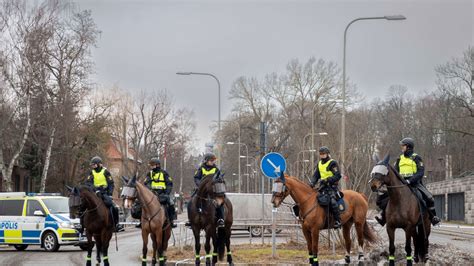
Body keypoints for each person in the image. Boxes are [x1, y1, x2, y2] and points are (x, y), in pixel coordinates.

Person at [375, 138, 441, 226]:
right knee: (385, 197)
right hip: (400, 184)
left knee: (429, 198)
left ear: (408, 147)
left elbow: (420, 172)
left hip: (414, 183)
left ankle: (433, 218)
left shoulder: (416, 158)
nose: (401, 147)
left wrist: (410, 180)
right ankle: (383, 217)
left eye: (403, 145)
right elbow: (395, 172)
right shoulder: (399, 158)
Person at [186, 152, 225, 227]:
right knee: (190, 202)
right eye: (211, 160)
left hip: (213, 190)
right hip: (202, 190)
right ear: (206, 161)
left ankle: (221, 219)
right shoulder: (201, 168)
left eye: (213, 160)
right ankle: (190, 220)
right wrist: (200, 185)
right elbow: (196, 178)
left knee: (220, 202)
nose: (213, 162)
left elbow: (219, 178)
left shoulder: (216, 169)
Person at [83, 156, 121, 231]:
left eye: (94, 165)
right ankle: (82, 225)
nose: (93, 166)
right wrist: (95, 190)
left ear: (99, 164)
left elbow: (111, 184)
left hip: (104, 192)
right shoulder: (91, 172)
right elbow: (88, 183)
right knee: (83, 205)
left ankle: (115, 224)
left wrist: (110, 194)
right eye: (92, 165)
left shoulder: (106, 172)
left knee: (113, 207)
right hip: (94, 193)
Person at [309, 146, 342, 229]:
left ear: (327, 154)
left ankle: (338, 221)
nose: (322, 155)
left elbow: (338, 175)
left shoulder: (332, 163)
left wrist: (328, 180)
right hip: (322, 187)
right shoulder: (319, 163)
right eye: (320, 154)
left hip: (331, 187)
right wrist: (312, 182)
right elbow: (316, 175)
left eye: (323, 154)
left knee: (333, 201)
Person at [144, 157, 177, 228]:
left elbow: (169, 184)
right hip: (152, 194)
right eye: (151, 165)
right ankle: (142, 221)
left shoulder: (164, 173)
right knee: (141, 204)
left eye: (152, 164)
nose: (151, 166)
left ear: (158, 165)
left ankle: (171, 221)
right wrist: (150, 190)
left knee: (171, 204)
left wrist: (167, 193)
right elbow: (146, 183)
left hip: (162, 194)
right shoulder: (149, 174)